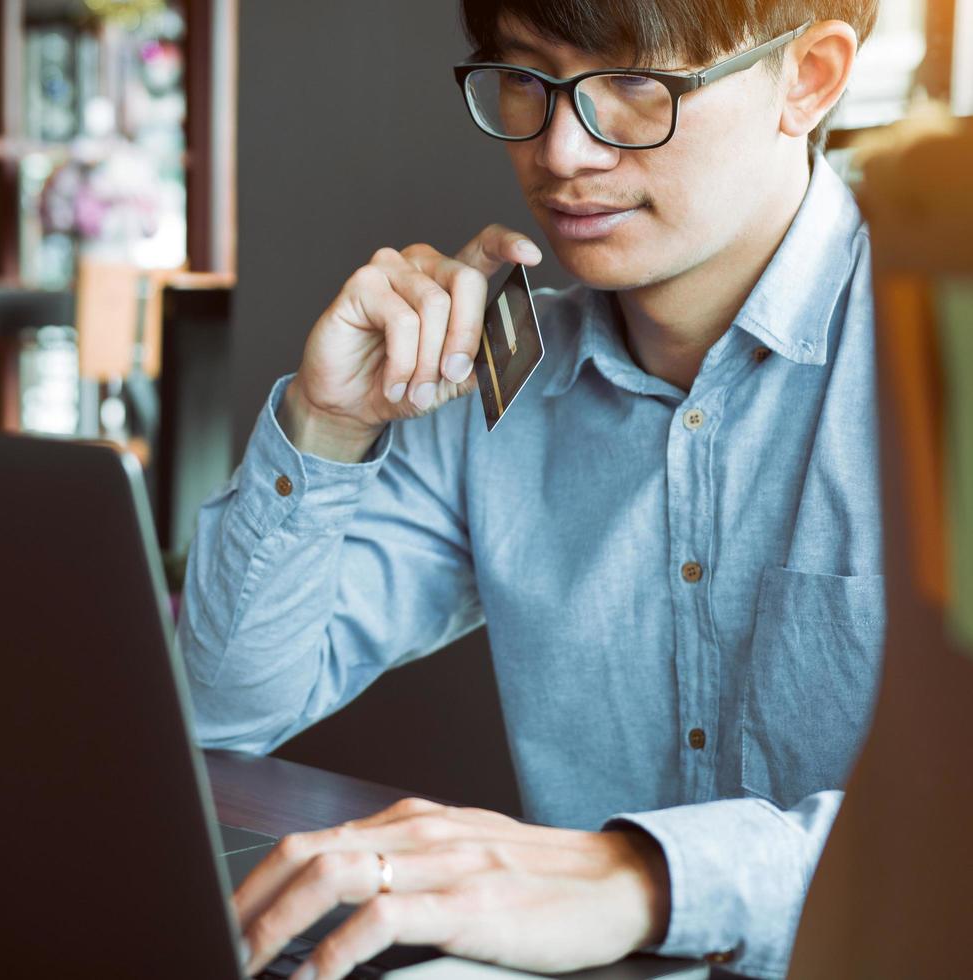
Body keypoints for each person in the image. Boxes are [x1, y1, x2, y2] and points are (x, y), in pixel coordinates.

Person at [178, 2, 882, 978]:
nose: (561, 151)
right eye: (528, 78)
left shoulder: (940, 359)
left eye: (637, 84)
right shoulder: (495, 386)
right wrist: (332, 424)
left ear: (808, 78)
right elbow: (222, 707)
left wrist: (643, 876)